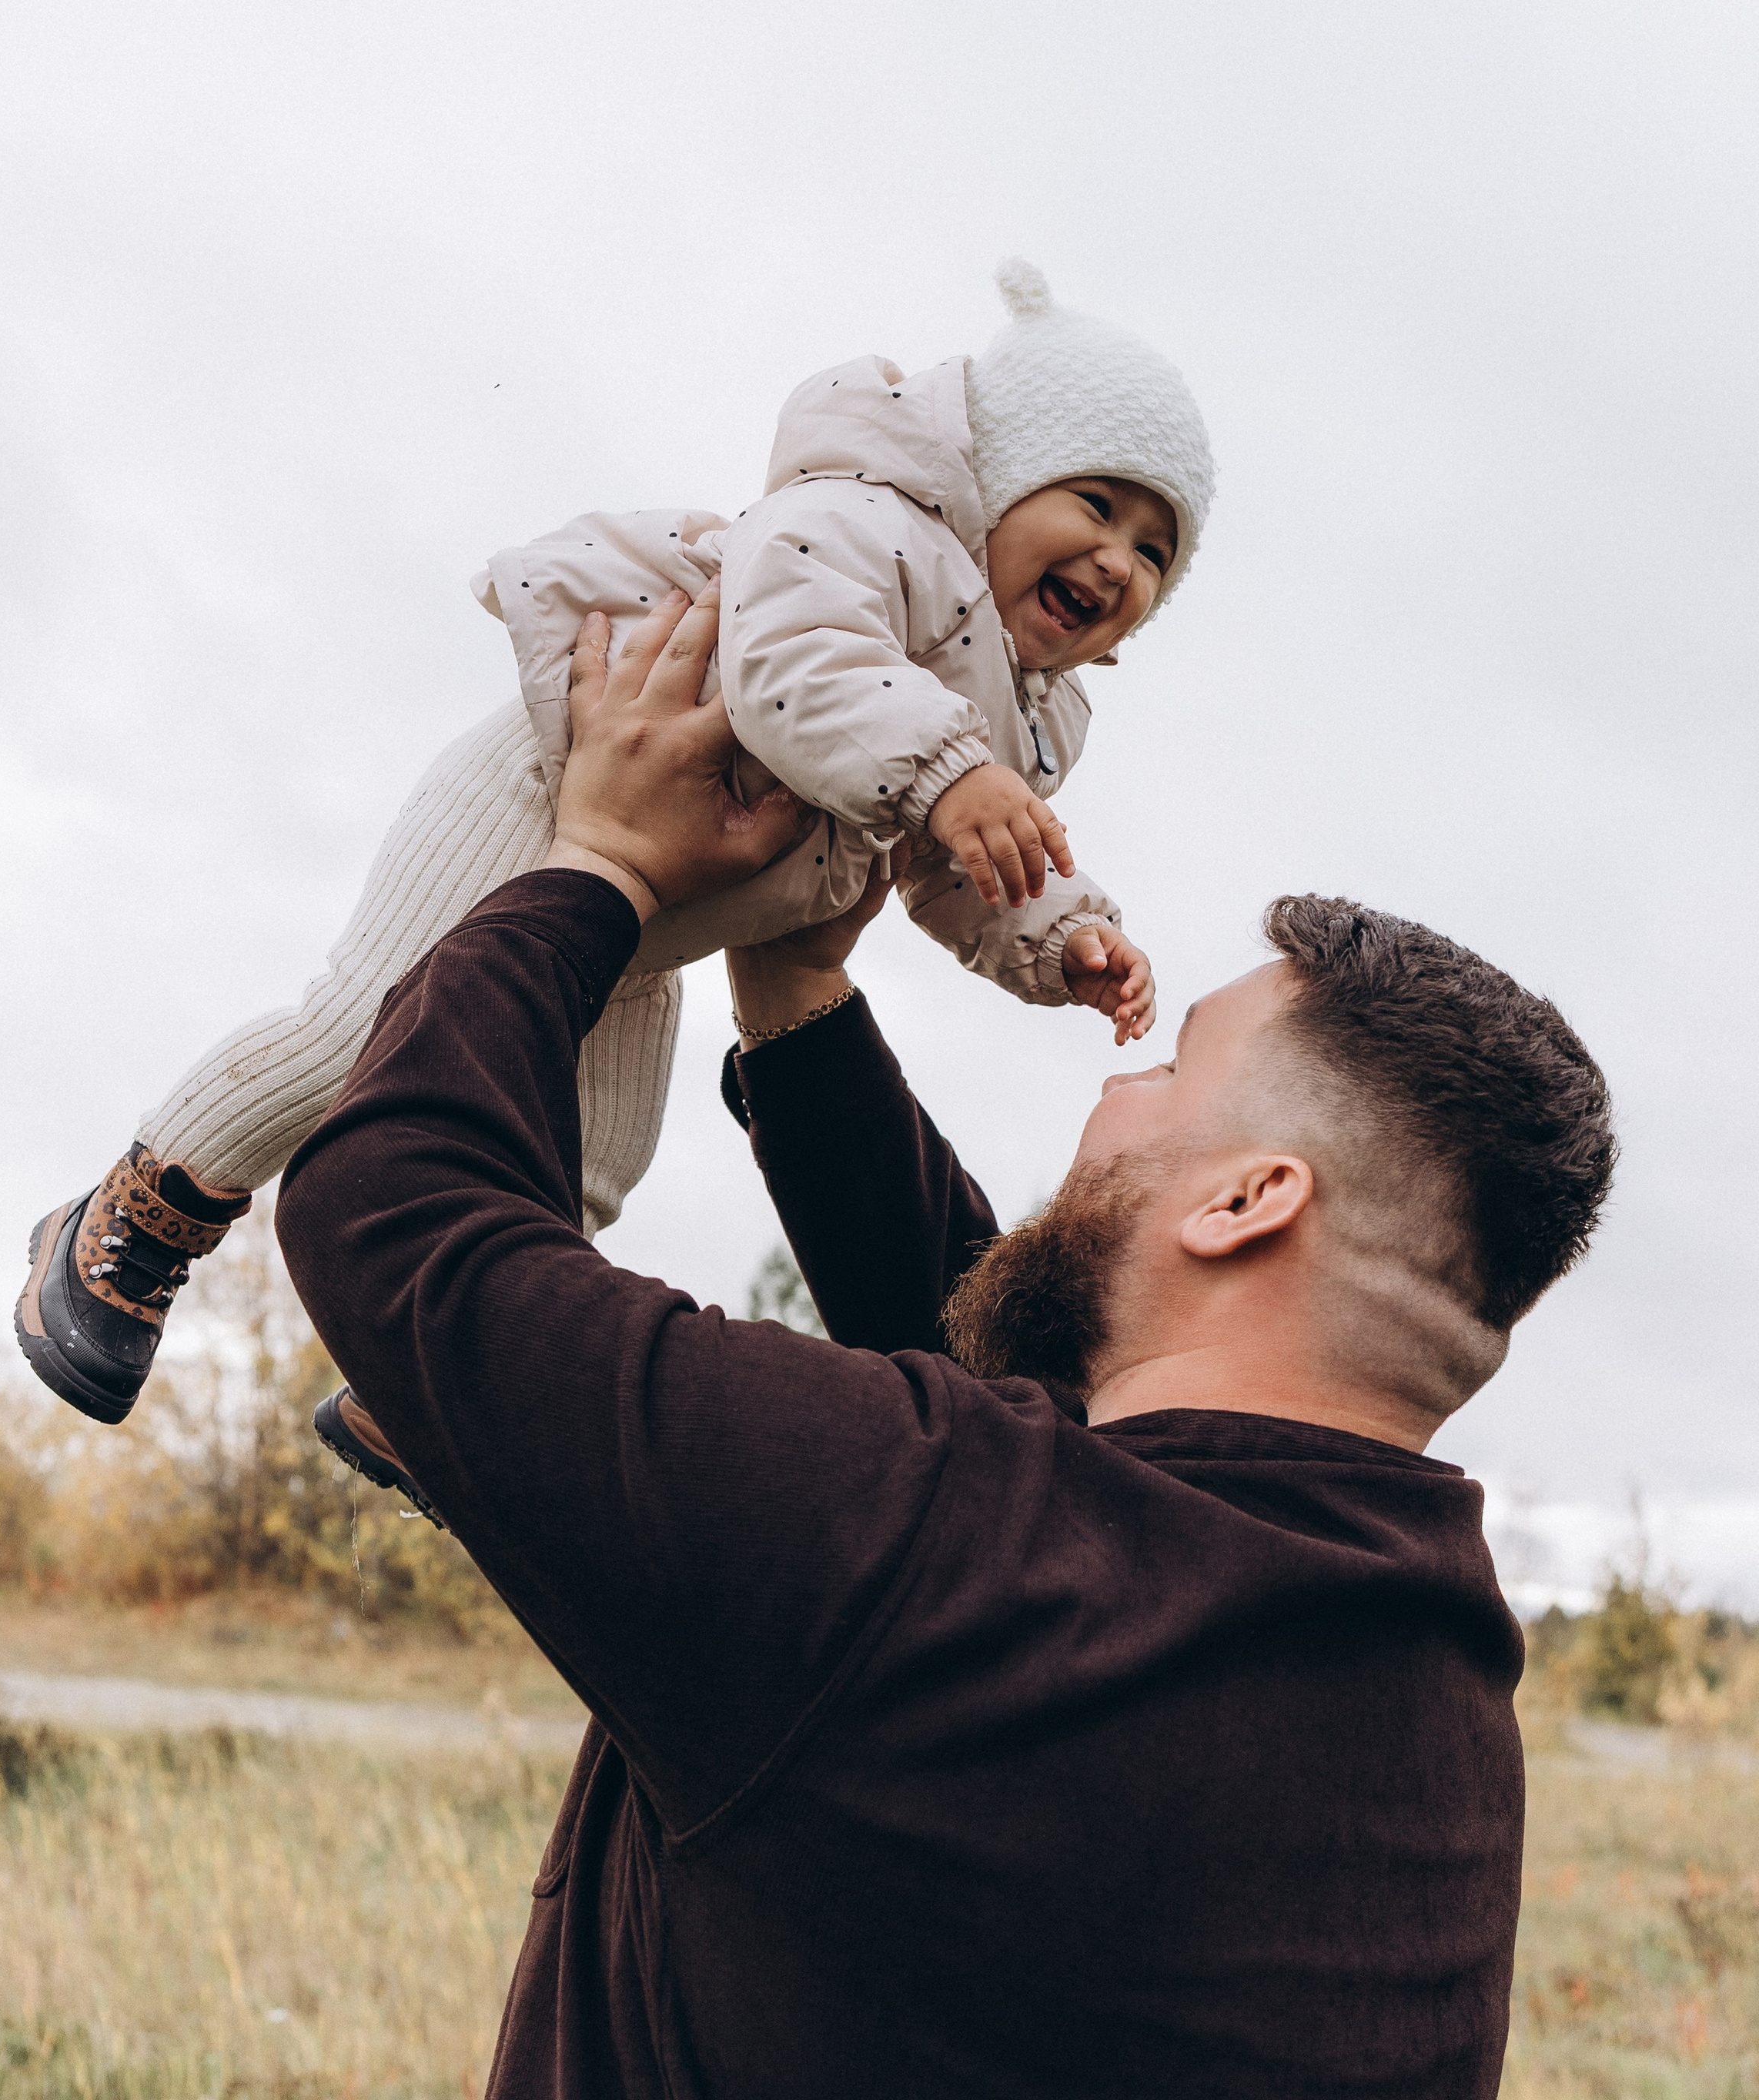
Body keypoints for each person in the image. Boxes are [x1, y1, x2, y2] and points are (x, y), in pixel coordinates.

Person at [273, 587, 1616, 2100]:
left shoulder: (923, 1551)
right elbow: (1030, 1440)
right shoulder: (1419, 1659)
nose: (1115, 1093)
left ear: (1246, 1200)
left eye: (1169, 1073)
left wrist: (603, 867)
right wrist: (795, 994)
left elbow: (394, 1219)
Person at [15, 258, 1217, 1431]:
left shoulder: (1031, 721)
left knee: (593, 1164)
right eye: (1097, 504)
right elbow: (797, 661)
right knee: (364, 1032)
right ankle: (137, 1217)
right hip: (544, 798)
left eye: (1157, 552)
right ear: (997, 480)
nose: (1120, 558)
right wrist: (956, 771)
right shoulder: (868, 528)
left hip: (669, 907)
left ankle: (432, 1384)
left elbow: (957, 864)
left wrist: (1061, 933)